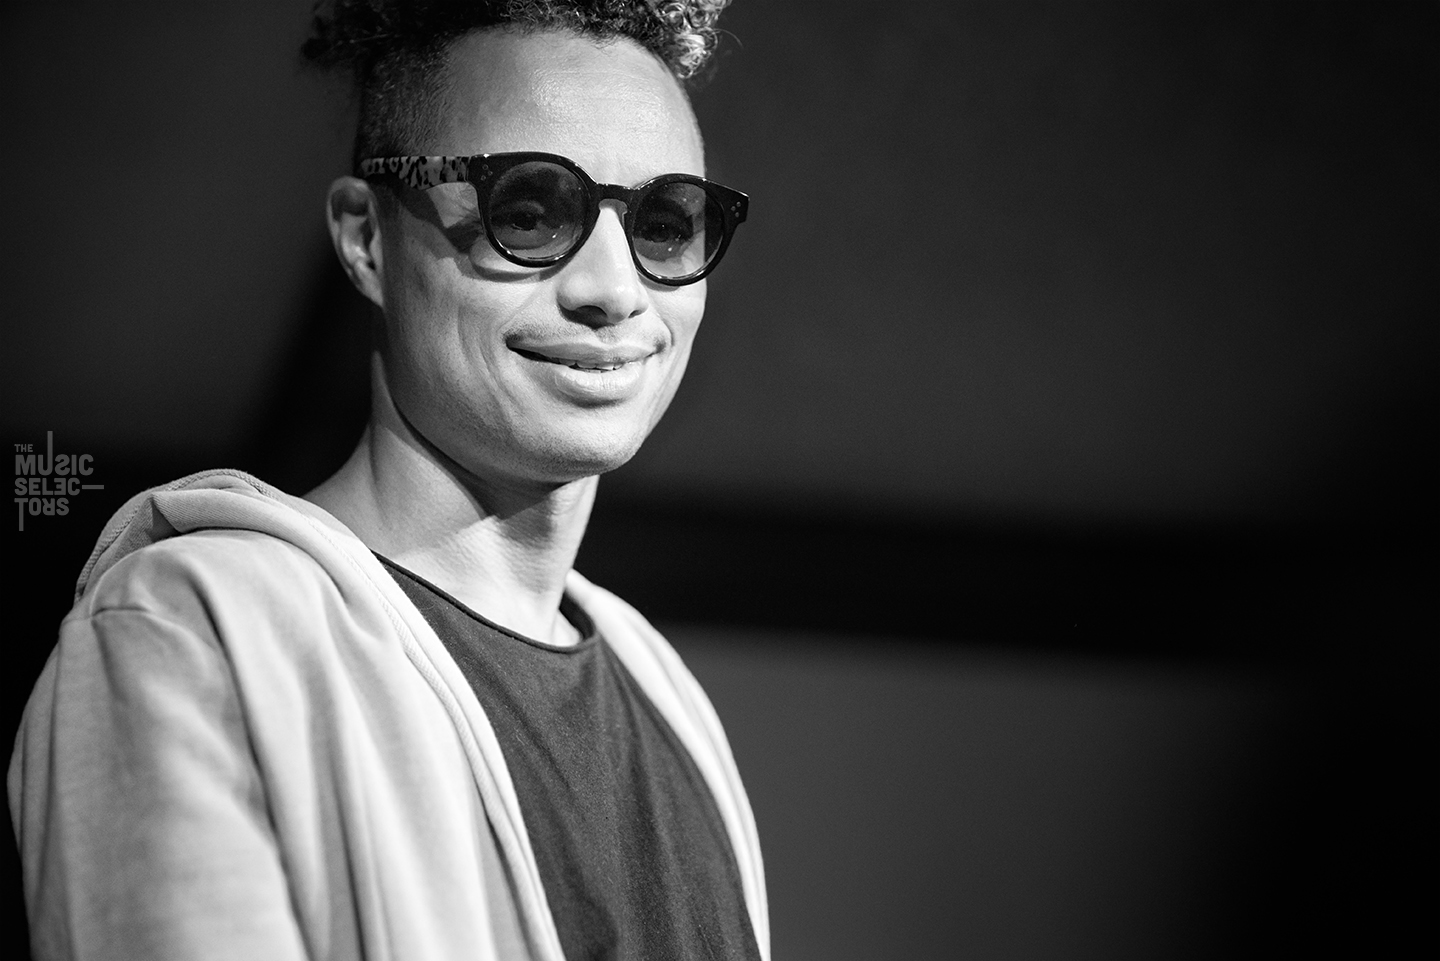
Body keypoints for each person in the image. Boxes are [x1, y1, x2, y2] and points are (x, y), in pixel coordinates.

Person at [8, 2, 766, 959]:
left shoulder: (668, 699)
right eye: (528, 211)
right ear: (367, 238)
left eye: (663, 224)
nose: (613, 289)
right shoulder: (195, 628)